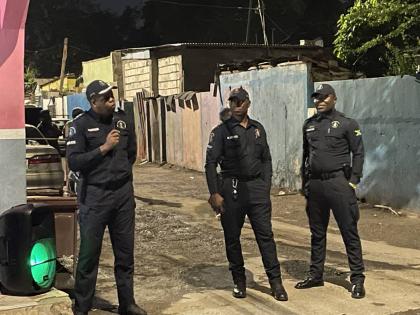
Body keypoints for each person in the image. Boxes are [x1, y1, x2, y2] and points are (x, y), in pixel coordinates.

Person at [66, 80, 146, 315]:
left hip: (122, 196)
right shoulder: (80, 125)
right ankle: (82, 306)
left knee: (125, 254)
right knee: (89, 255)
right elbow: (74, 161)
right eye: (106, 98)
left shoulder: (122, 120)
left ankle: (127, 303)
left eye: (112, 96)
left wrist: (118, 172)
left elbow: (130, 153)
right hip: (94, 197)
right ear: (94, 102)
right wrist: (104, 148)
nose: (112, 100)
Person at [205, 87, 288, 301]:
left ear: (248, 103)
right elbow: (210, 163)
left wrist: (266, 184)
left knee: (265, 236)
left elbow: (267, 159)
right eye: (233, 101)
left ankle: (276, 282)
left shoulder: (257, 129)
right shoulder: (220, 132)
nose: (236, 105)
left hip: (257, 190)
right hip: (231, 190)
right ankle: (239, 281)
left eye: (240, 101)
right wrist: (214, 192)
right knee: (232, 238)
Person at [296, 83, 366, 299]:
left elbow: (359, 153)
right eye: (317, 98)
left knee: (348, 231)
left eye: (324, 97)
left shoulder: (346, 123)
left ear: (333, 99)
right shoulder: (309, 125)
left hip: (339, 183)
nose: (320, 101)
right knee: (317, 233)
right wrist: (305, 183)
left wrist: (353, 182)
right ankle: (316, 275)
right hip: (316, 185)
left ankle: (357, 279)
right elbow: (306, 155)